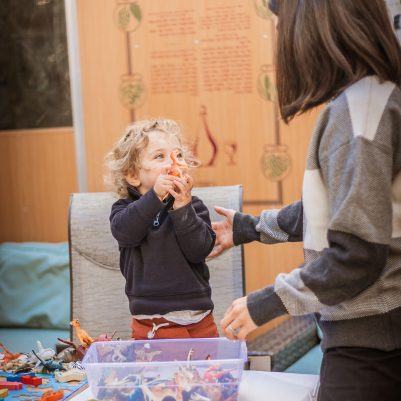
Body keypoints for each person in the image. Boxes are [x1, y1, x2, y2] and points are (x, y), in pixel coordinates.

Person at [210, 0, 401, 400]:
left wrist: (264, 303)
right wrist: (248, 228)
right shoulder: (371, 98)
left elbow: (357, 253)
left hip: (372, 345)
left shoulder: (361, 113)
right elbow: (332, 211)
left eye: (283, 26)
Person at [105, 119, 218, 340]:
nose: (172, 163)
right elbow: (125, 232)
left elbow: (200, 249)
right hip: (150, 323)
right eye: (160, 156)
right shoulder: (124, 210)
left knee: (206, 374)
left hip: (199, 319)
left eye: (178, 155)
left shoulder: (193, 206)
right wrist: (154, 197)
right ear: (132, 175)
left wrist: (183, 208)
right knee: (156, 376)